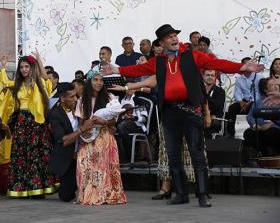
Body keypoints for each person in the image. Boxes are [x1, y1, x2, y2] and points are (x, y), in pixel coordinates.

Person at [103, 24, 264, 207]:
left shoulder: (192, 56)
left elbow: (216, 64)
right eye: (169, 37)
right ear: (162, 43)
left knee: (197, 154)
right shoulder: (158, 61)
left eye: (175, 36)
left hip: (190, 111)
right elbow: (138, 70)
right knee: (173, 155)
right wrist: (116, 70)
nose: (174, 39)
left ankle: (202, 194)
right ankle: (181, 194)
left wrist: (241, 67)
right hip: (170, 112)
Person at [108, 76, 196, 202]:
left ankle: (189, 188)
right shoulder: (164, 75)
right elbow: (152, 88)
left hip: (187, 118)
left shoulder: (188, 78)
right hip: (168, 119)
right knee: (166, 153)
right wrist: (126, 88)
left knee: (187, 154)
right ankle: (165, 188)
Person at [0, 52, 57, 197]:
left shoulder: (38, 83)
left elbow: (46, 80)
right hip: (21, 122)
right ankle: (22, 188)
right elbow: (3, 85)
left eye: (27, 66)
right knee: (20, 154)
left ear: (32, 68)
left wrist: (39, 61)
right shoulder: (16, 85)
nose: (24, 69)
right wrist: (3, 67)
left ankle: (37, 188)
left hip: (35, 122)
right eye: (22, 67)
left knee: (36, 154)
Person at [75, 73, 126, 205]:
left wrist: (103, 122)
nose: (98, 83)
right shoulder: (82, 100)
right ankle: (89, 194)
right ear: (89, 82)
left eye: (101, 80)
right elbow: (81, 122)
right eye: (95, 80)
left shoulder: (110, 98)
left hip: (104, 134)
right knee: (83, 164)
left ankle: (104, 194)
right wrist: (85, 131)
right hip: (87, 135)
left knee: (102, 164)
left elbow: (113, 122)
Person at [48, 83, 95, 202]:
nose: (76, 99)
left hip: (85, 154)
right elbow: (63, 141)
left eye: (76, 96)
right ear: (62, 99)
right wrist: (82, 129)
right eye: (72, 97)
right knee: (66, 196)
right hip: (68, 158)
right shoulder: (55, 115)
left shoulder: (79, 108)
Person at [225, 57, 264, 136]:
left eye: (250, 64)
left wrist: (250, 102)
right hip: (244, 102)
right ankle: (230, 133)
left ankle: (257, 132)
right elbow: (237, 93)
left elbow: (261, 94)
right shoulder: (239, 79)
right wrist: (240, 102)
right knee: (232, 108)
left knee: (255, 108)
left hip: (256, 102)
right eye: (246, 64)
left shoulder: (260, 77)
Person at [243, 77, 280, 156]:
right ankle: (262, 152)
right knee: (248, 133)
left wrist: (271, 124)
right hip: (260, 130)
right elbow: (250, 117)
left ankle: (274, 152)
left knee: (271, 132)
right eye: (272, 85)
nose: (276, 86)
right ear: (265, 89)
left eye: (277, 84)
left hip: (276, 130)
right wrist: (255, 125)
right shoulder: (258, 102)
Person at [202, 69, 225, 137]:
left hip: (213, 119)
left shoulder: (220, 91)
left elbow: (218, 108)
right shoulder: (198, 89)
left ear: (215, 77)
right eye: (207, 75)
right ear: (203, 76)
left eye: (212, 75)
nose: (210, 77)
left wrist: (206, 95)